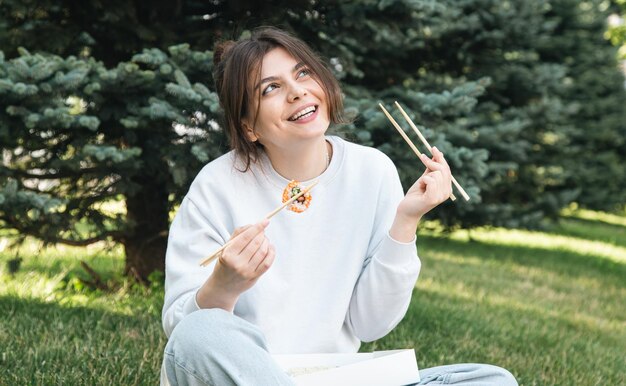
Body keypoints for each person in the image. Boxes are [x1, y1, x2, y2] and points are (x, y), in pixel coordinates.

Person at [160, 26, 517, 386]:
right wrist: (224, 284)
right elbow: (183, 335)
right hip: (244, 378)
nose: (297, 91)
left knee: (491, 380)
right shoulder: (217, 185)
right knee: (201, 331)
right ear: (248, 126)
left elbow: (370, 324)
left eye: (302, 73)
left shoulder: (372, 170)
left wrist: (406, 221)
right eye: (271, 88)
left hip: (333, 378)